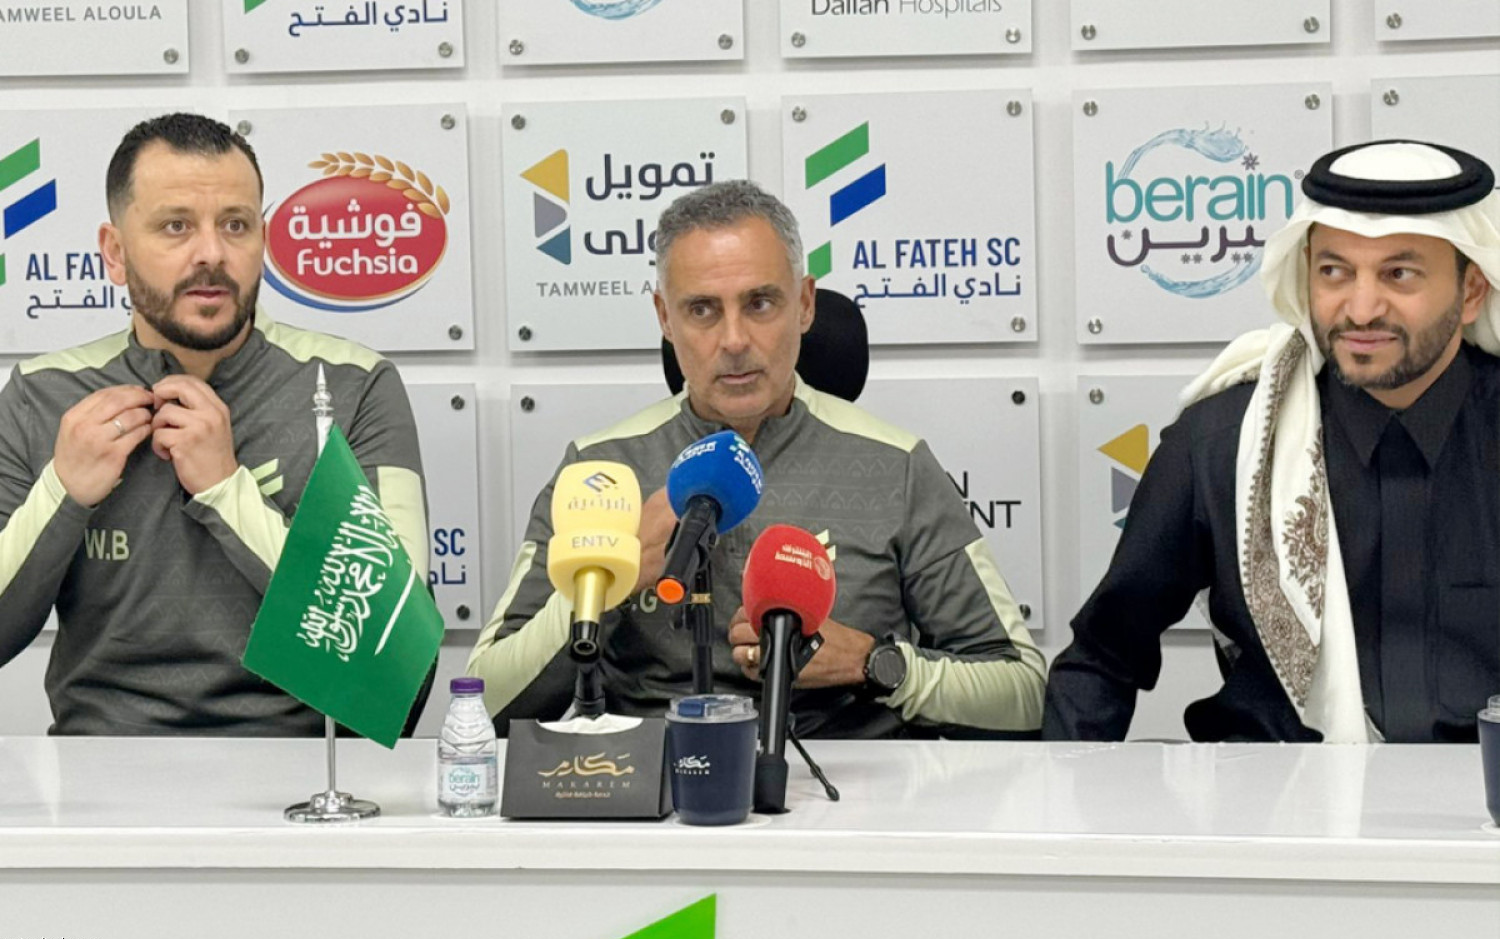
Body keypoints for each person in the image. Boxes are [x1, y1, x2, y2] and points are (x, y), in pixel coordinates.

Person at [469, 180, 1044, 738]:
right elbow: (484, 702)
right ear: (664, 318)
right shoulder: (599, 469)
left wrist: (873, 664)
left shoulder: (897, 465)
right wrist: (602, 584)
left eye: (760, 303)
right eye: (702, 310)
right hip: (652, 784)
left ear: (805, 304)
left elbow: (1021, 692)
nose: (735, 340)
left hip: (852, 785)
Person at [1046, 140, 1499, 743]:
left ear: (1472, 292)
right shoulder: (1224, 443)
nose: (1362, 308)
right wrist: (1067, 797)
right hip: (1275, 792)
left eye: (1399, 274)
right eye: (1334, 272)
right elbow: (1102, 659)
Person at [0, 113, 428, 735]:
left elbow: (403, 663)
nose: (212, 254)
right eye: (176, 226)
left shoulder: (353, 386)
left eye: (235, 225)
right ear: (115, 253)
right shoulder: (42, 394)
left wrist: (227, 491)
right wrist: (62, 493)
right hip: (99, 764)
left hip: (302, 767)